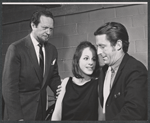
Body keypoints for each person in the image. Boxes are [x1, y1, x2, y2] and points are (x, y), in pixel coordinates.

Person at [2, 10, 61, 121]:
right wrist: (17, 118)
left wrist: (62, 90)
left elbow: (53, 76)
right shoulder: (16, 48)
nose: (48, 32)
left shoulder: (52, 50)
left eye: (51, 29)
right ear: (33, 25)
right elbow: (9, 88)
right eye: (44, 28)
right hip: (21, 113)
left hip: (42, 112)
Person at [94, 22, 148, 120]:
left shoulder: (136, 70)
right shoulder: (104, 70)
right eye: (97, 47)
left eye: (102, 46)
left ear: (118, 45)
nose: (98, 52)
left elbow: (134, 112)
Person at [51, 41, 100, 121]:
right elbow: (56, 116)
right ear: (77, 60)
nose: (91, 62)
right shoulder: (66, 82)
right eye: (86, 58)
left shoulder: (97, 84)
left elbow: (101, 118)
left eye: (94, 59)